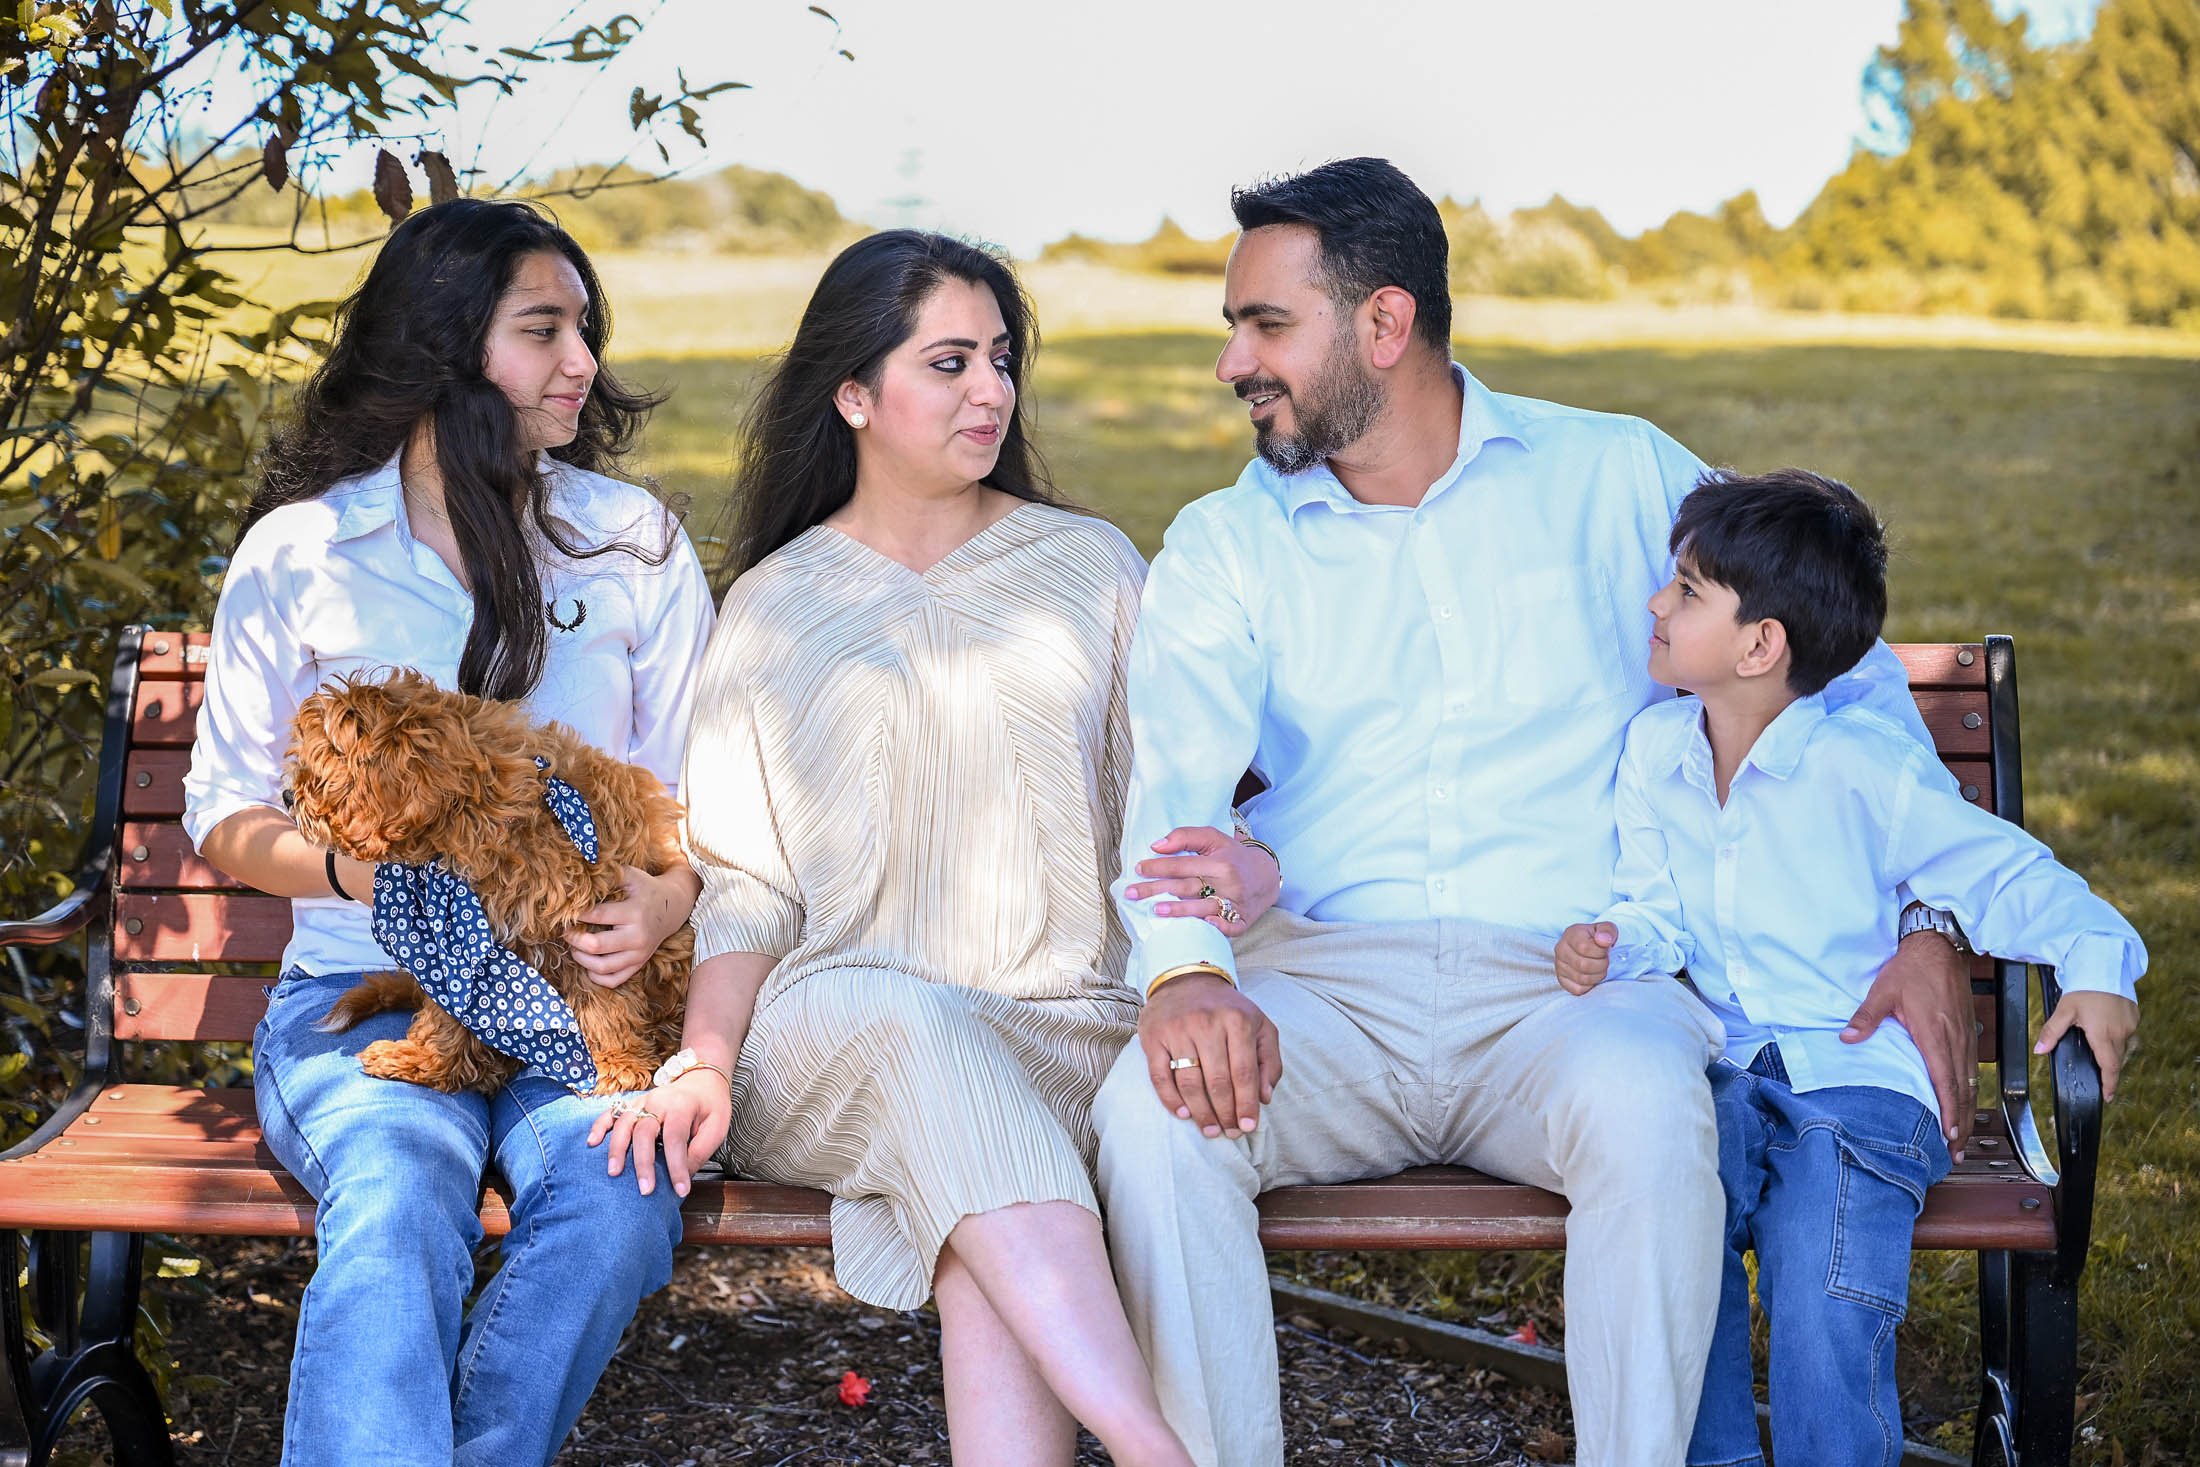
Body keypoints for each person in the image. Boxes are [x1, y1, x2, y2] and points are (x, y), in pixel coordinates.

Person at [1089, 157, 1981, 1467]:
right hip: (1329, 984)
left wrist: (1927, 914)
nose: (1234, 361)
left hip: (1574, 983)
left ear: (1384, 327)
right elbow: (1171, 790)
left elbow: (1824, 673)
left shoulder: (1616, 476)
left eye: (1264, 323)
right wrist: (1182, 976)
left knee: (1644, 1099)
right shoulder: (1230, 543)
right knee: (1151, 1109)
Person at [591, 230, 1273, 1466]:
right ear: (854, 395)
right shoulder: (776, 603)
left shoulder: (1088, 568)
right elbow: (746, 891)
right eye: (950, 362)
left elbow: (1167, 811)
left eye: (1001, 359)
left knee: (983, 1228)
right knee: (914, 1037)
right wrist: (701, 1063)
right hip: (835, 1033)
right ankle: (1156, 1448)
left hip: (1067, 1026)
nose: (991, 392)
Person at [183, 199, 714, 1467]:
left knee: (618, 1201)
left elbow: (701, 799)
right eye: (544, 330)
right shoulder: (304, 551)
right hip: (361, 998)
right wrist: (345, 867)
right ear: (442, 351)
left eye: (582, 328)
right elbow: (222, 813)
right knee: (398, 1193)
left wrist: (663, 903)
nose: (583, 362)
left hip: (579, 1010)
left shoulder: (628, 545)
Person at [1554, 467, 2143, 1466]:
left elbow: (2005, 877)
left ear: (1760, 646)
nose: (1655, 603)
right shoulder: (1656, 753)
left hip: (1857, 1081)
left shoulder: (1862, 770)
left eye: (1686, 590)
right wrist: (1613, 946)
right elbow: (1653, 909)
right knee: (1670, 1249)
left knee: (1826, 1296)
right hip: (1718, 1071)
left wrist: (2095, 964)